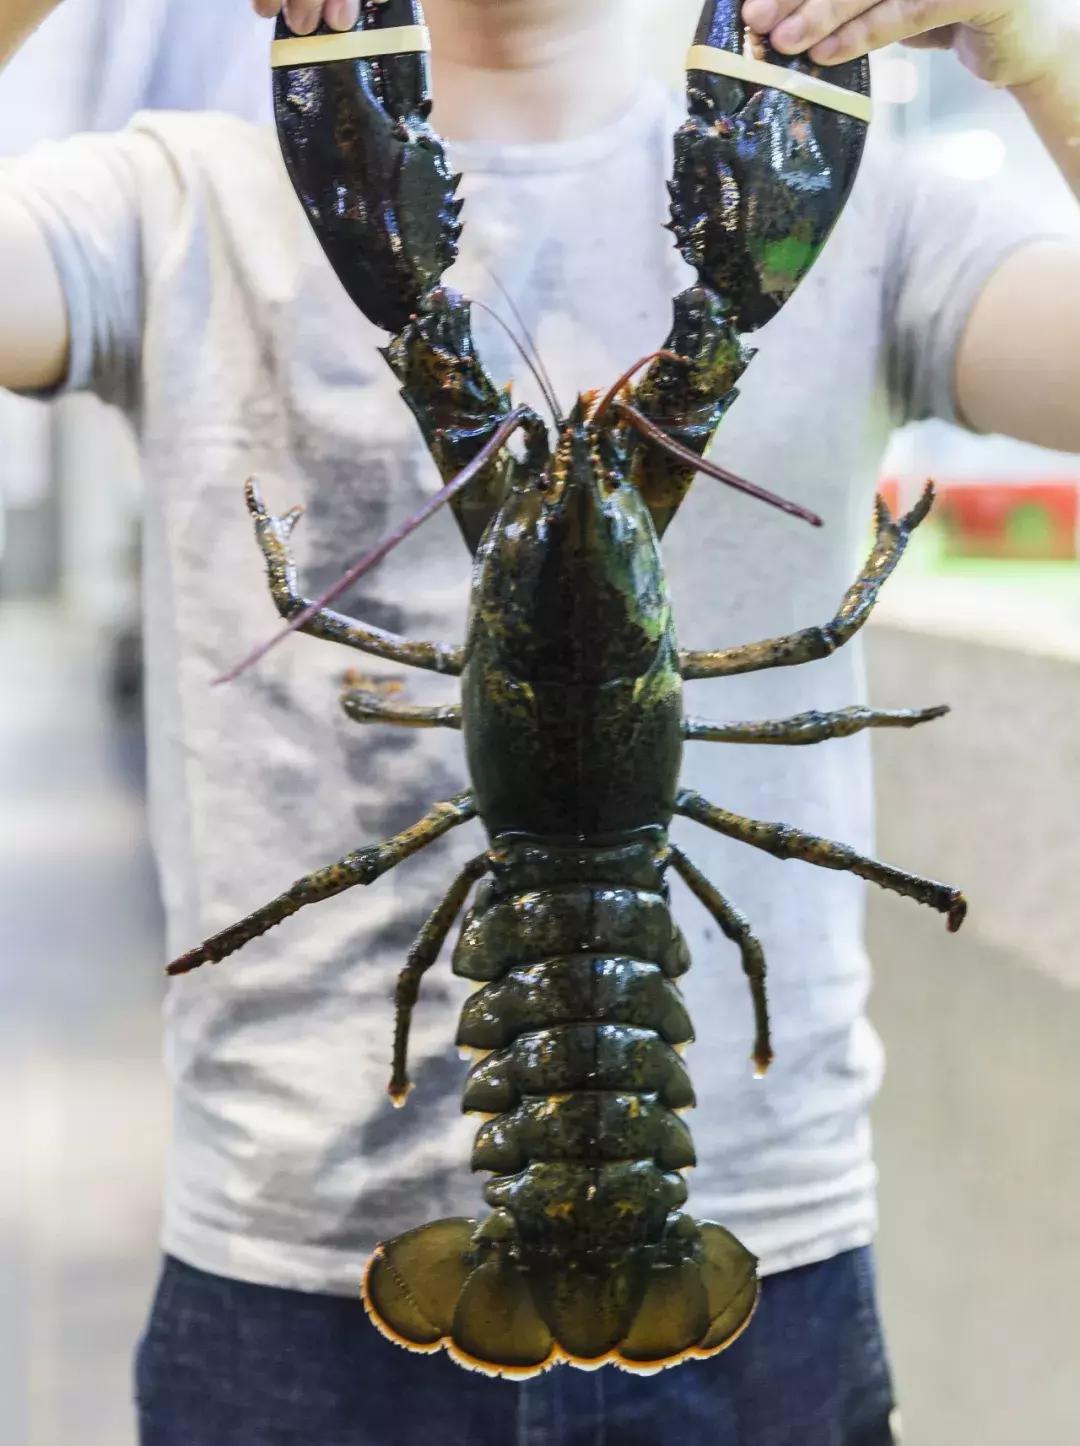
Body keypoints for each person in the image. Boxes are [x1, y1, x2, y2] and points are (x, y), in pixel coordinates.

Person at [2, 0, 1078, 1441]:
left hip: (772, 1266)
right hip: (284, 1279)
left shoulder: (872, 206)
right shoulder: (168, 198)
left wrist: (1051, 56)